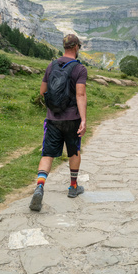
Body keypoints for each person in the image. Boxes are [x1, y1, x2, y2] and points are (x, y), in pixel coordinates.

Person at [29, 34, 87, 211]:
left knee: (47, 154)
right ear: (76, 47)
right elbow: (80, 95)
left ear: (64, 46)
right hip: (72, 119)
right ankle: (73, 187)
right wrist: (83, 120)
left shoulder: (51, 65)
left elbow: (42, 91)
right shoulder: (79, 69)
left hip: (53, 118)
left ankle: (40, 186)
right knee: (74, 151)